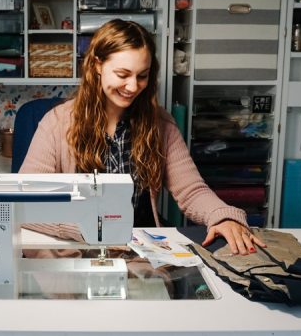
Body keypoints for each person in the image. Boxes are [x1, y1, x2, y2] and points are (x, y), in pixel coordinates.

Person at [20, 19, 266, 255]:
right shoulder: (56, 123)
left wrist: (222, 215)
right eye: (122, 74)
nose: (133, 86)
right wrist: (90, 230)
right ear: (97, 65)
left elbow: (191, 190)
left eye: (142, 75)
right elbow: (26, 203)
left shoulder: (161, 124)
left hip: (138, 251)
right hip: (75, 249)